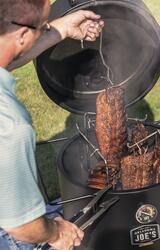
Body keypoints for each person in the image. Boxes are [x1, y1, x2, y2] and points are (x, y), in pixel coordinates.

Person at [0, 0, 104, 249]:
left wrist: (62, 28)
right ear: (23, 35)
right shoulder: (10, 126)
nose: (45, 29)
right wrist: (56, 233)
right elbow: (22, 225)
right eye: (42, 27)